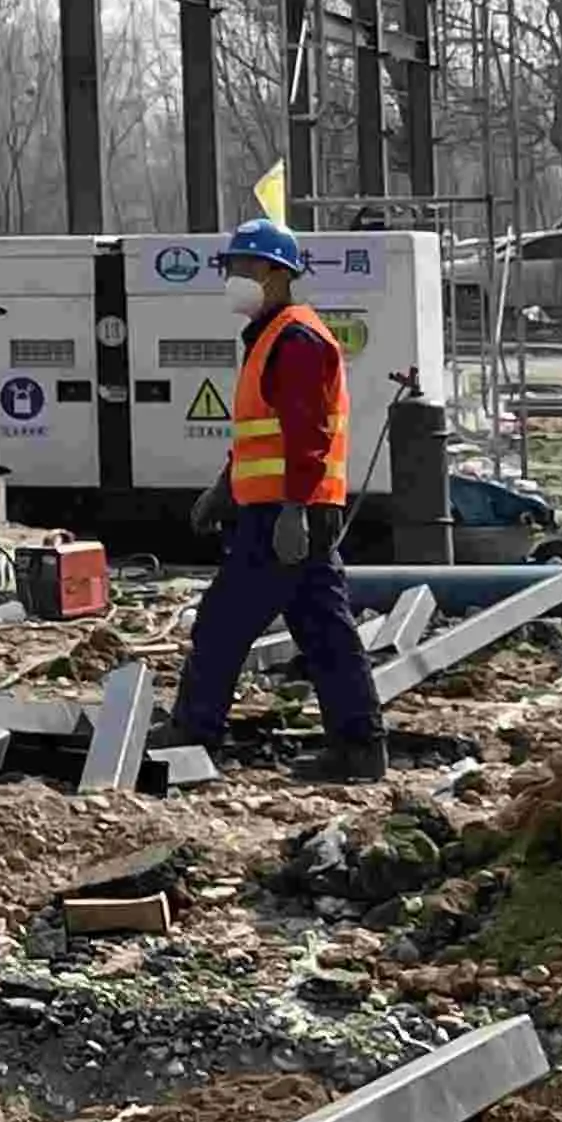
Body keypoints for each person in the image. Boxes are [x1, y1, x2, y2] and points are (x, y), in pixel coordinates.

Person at [161, 218, 384, 782]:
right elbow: (267, 434)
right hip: (280, 509)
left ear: (275, 273)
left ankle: (194, 731)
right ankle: (359, 747)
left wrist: (292, 510)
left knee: (222, 623)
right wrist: (224, 489)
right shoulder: (272, 336)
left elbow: (307, 436)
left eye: (242, 266)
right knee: (324, 629)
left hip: (287, 514)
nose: (234, 277)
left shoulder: (296, 339)